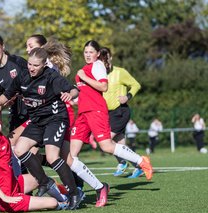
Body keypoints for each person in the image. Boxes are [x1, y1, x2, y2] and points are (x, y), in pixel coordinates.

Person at [0, 48, 82, 210]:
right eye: (29, 64)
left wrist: (70, 94)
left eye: (35, 65)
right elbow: (8, 93)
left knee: (53, 156)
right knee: (19, 149)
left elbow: (74, 89)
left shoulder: (51, 76)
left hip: (55, 119)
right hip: (37, 121)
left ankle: (75, 193)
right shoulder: (23, 76)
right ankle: (45, 182)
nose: (31, 68)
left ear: (43, 65)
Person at [69, 40, 153, 195]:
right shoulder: (84, 69)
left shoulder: (98, 65)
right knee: (71, 156)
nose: (88, 55)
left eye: (91, 52)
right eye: (85, 52)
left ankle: (141, 161)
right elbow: (85, 93)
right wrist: (72, 98)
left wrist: (83, 77)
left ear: (97, 54)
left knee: (106, 146)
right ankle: (74, 188)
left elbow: (103, 87)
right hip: (83, 113)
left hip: (96, 111)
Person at [0, 110, 68, 212]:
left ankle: (64, 199)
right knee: (52, 203)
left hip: (13, 184)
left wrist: (0, 106)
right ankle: (62, 203)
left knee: (42, 177)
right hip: (8, 198)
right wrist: (4, 197)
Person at [25, 34, 84, 192]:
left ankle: (88, 186)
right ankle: (44, 183)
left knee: (64, 158)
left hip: (57, 115)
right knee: (30, 153)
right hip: (42, 116)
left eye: (31, 46)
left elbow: (69, 89)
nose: (27, 49)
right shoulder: (34, 67)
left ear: (42, 48)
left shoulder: (47, 69)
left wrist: (71, 94)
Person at [0, 33, 32, 176]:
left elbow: (33, 83)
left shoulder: (18, 62)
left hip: (32, 111)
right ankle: (24, 188)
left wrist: (21, 94)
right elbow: (1, 100)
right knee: (14, 149)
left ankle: (65, 181)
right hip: (16, 114)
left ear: (3, 47)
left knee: (42, 151)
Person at [100, 47, 142, 177]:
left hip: (120, 112)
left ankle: (123, 162)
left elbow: (136, 85)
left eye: (106, 58)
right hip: (107, 114)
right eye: (101, 59)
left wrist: (127, 97)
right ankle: (138, 166)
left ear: (110, 57)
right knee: (120, 144)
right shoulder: (99, 75)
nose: (104, 61)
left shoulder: (120, 72)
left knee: (106, 141)